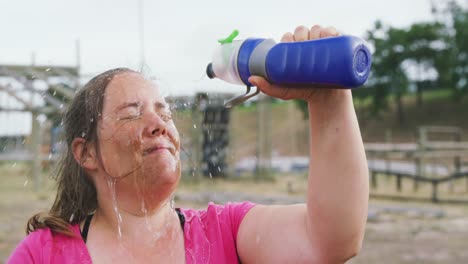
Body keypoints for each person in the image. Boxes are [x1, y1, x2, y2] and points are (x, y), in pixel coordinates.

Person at [8, 25, 369, 264]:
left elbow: (331, 240)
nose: (159, 124)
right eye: (132, 113)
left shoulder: (225, 232)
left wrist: (329, 100)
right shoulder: (43, 254)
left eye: (164, 112)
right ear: (85, 152)